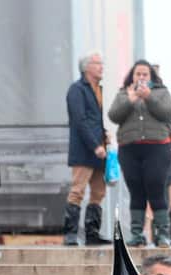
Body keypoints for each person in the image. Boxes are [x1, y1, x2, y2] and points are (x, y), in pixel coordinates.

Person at [108, 60, 171, 248]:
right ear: (132, 76)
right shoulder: (123, 94)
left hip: (157, 147)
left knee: (156, 187)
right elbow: (113, 115)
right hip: (130, 148)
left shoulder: (161, 92)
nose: (141, 77)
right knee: (136, 191)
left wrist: (148, 97)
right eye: (138, 74)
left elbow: (166, 113)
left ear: (151, 77)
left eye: (145, 74)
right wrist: (130, 100)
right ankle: (137, 234)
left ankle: (162, 234)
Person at [64, 52, 108, 246]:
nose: (101, 67)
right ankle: (71, 234)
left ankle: (92, 233)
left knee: (99, 192)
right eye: (98, 63)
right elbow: (80, 121)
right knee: (77, 190)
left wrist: (105, 137)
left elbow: (96, 120)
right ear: (86, 67)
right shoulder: (76, 90)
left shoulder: (99, 89)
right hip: (84, 150)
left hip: (100, 150)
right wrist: (95, 145)